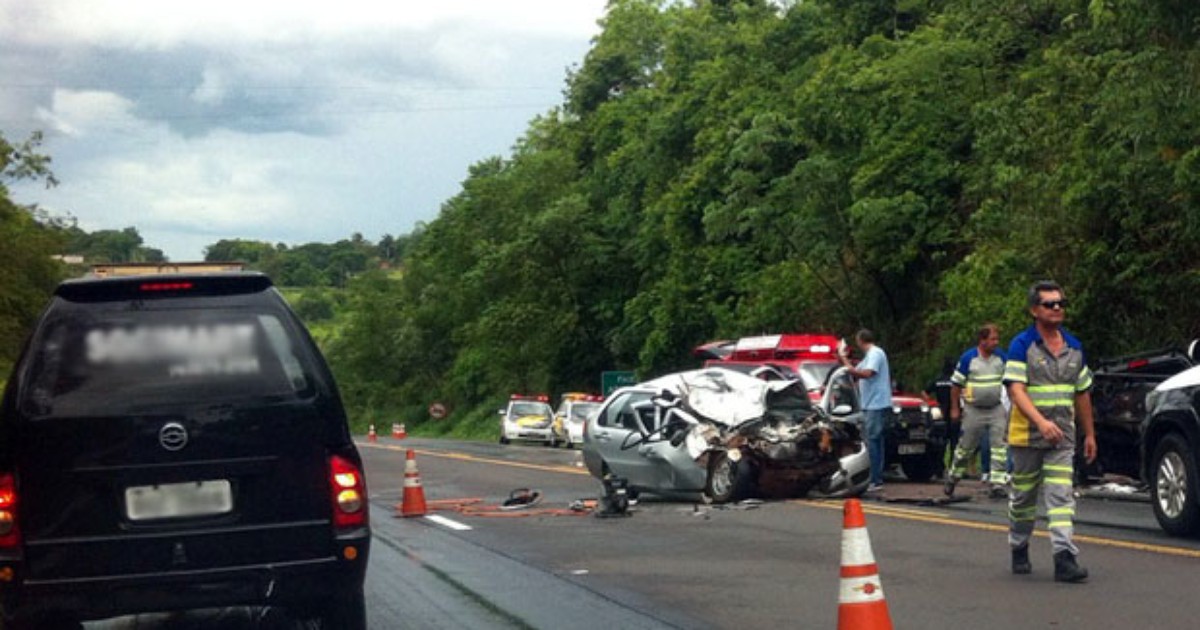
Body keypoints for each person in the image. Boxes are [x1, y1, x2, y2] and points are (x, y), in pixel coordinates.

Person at [1003, 281, 1097, 583]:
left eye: (1061, 303)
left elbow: (1082, 393)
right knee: (1024, 499)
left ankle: (1064, 558)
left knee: (1060, 496)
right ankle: (1019, 545)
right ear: (1034, 310)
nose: (1057, 308)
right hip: (1027, 436)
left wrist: (1089, 434)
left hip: (1063, 437)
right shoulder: (1022, 345)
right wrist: (1041, 422)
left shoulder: (1074, 347)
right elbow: (1016, 390)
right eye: (1049, 304)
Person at [944, 324, 1009, 499]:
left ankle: (998, 483)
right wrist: (955, 408)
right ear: (982, 340)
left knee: (999, 446)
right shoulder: (968, 358)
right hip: (974, 410)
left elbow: (1011, 381)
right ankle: (953, 477)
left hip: (996, 408)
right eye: (992, 339)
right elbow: (956, 385)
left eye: (997, 339)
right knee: (966, 448)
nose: (996, 342)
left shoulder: (1001, 358)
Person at [839, 329, 892, 492]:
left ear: (860, 340)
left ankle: (876, 479)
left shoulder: (875, 353)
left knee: (873, 441)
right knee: (874, 441)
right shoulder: (869, 357)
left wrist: (843, 359)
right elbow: (855, 372)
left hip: (876, 404)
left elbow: (866, 373)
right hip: (870, 404)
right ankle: (876, 477)